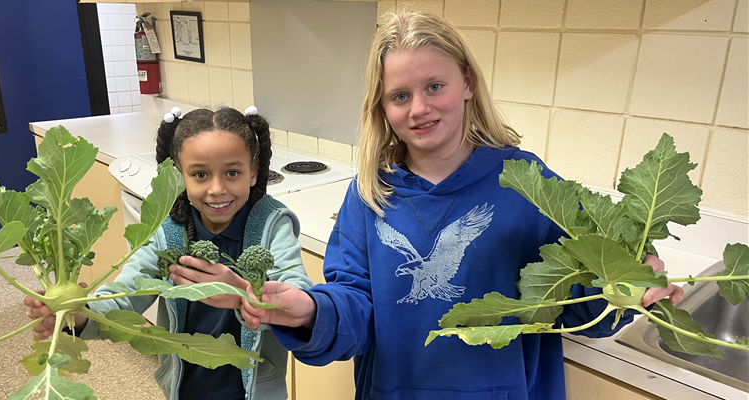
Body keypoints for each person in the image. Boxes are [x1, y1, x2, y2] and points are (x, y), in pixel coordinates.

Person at [239, 11, 685, 400]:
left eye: (435, 86)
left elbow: (574, 301)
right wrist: (312, 312)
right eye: (400, 95)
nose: (419, 108)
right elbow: (355, 303)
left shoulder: (527, 184)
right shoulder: (370, 192)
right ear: (382, 106)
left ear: (467, 82)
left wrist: (625, 288)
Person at [24, 106, 313, 400]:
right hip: (184, 390)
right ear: (177, 174)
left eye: (232, 172)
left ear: (253, 171)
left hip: (257, 392)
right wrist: (81, 314)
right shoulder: (168, 234)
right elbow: (126, 295)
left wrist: (243, 295)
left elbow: (298, 295)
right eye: (200, 174)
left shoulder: (272, 227)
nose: (217, 188)